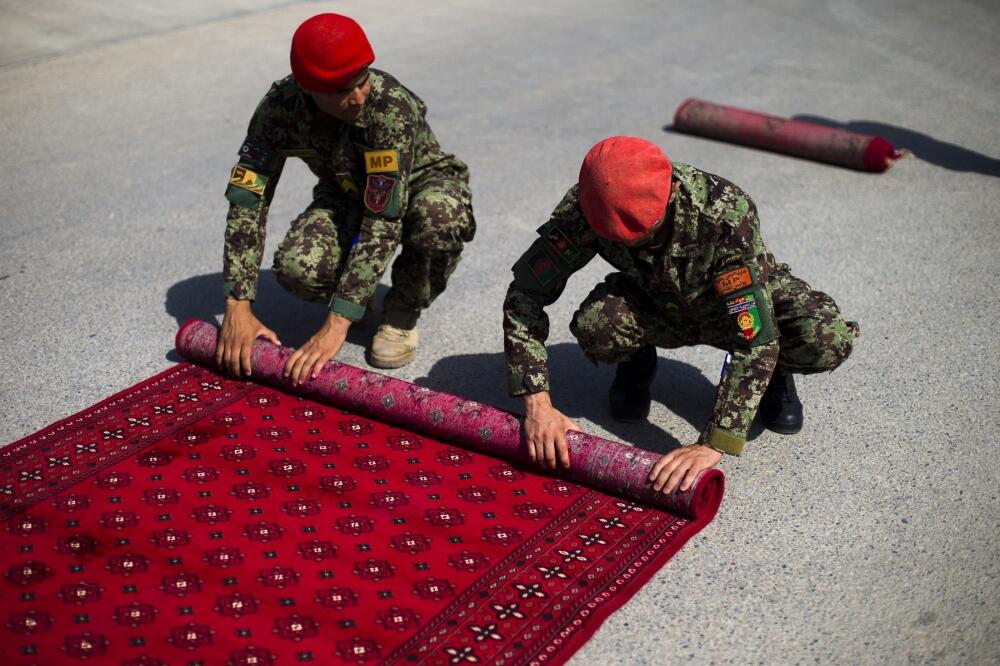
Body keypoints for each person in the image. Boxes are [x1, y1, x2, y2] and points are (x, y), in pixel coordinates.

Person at [502, 136, 858, 495]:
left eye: (642, 237)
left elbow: (754, 333)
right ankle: (635, 361)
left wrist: (713, 443)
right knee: (599, 325)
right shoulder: (585, 209)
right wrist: (537, 402)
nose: (631, 246)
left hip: (729, 305)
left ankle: (776, 373)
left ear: (670, 196)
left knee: (824, 338)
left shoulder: (723, 213)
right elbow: (524, 295)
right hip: (657, 303)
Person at [216, 13, 475, 383]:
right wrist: (237, 305)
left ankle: (401, 312)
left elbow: (384, 218)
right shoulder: (278, 110)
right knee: (298, 268)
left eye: (362, 82)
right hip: (348, 192)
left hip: (422, 186)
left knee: (438, 217)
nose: (357, 98)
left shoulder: (389, 107)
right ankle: (356, 290)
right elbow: (248, 199)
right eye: (341, 91)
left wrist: (337, 323)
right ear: (308, 89)